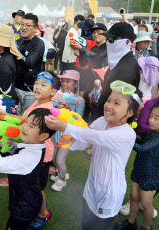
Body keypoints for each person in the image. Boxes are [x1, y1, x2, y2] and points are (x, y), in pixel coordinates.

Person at [44, 80, 142, 230]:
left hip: (110, 192)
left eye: (116, 103)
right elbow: (85, 141)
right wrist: (70, 141)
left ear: (129, 112)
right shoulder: (102, 121)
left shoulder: (126, 134)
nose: (108, 106)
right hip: (92, 185)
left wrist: (65, 127)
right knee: (86, 225)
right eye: (109, 100)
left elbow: (95, 137)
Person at [0, 108, 56, 230]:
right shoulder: (34, 145)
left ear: (43, 136)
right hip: (26, 200)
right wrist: (12, 145)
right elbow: (21, 151)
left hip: (23, 207)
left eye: (31, 126)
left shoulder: (31, 156)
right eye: (26, 122)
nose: (24, 127)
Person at [116, 102, 159, 230]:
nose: (151, 120)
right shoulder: (154, 132)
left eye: (157, 117)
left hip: (150, 176)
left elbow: (142, 149)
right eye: (151, 116)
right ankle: (131, 222)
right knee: (134, 198)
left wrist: (127, 138)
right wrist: (132, 134)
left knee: (146, 204)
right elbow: (142, 142)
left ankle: (146, 227)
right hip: (138, 171)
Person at [96, 22, 141, 119]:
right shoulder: (118, 61)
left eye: (112, 39)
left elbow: (120, 103)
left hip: (114, 120)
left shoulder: (128, 68)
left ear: (127, 42)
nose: (108, 42)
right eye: (107, 39)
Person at [50, 70, 85, 192]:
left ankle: (63, 180)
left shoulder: (79, 100)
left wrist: (69, 110)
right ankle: (61, 172)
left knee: (60, 160)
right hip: (54, 132)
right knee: (53, 157)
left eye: (68, 81)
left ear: (76, 84)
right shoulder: (56, 96)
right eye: (62, 81)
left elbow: (78, 120)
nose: (64, 83)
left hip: (68, 136)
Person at [14, 13, 45, 114]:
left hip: (30, 90)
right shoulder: (18, 42)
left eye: (28, 25)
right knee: (13, 117)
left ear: (35, 28)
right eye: (22, 24)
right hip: (15, 87)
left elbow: (29, 63)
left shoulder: (38, 43)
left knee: (28, 119)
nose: (24, 28)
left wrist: (15, 51)